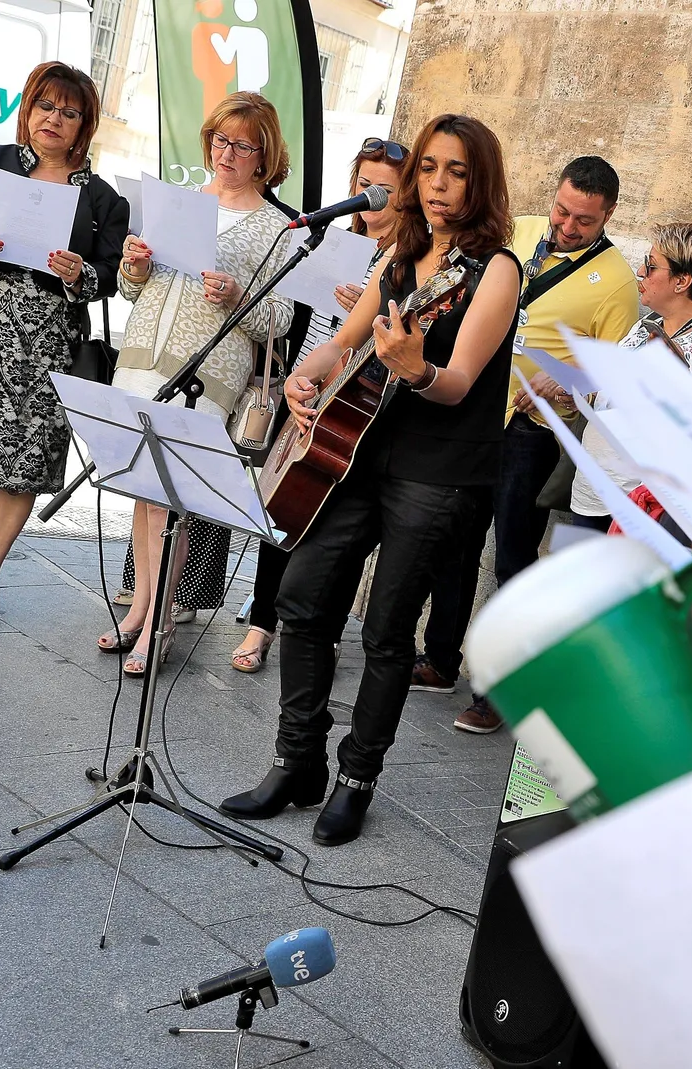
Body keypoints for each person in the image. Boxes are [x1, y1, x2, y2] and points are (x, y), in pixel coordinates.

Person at [219, 113, 523, 846]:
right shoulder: (401, 251)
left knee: (387, 630)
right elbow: (344, 345)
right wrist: (304, 378)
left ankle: (355, 780)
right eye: (429, 168)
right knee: (302, 596)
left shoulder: (497, 269)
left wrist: (417, 369)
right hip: (358, 455)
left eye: (456, 171)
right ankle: (297, 761)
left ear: (480, 182)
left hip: (440, 470)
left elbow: (457, 381)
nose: (439, 184)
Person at [411, 157, 640, 733]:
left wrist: (567, 384)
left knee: (513, 560)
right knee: (455, 542)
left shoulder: (617, 281)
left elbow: (616, 373)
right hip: (474, 413)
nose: (567, 226)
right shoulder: (523, 230)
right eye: (562, 211)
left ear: (609, 215)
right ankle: (440, 658)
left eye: (584, 221)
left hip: (532, 432)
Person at [0, 63, 126, 631]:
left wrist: (80, 273)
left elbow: (110, 276)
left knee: (24, 461)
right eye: (45, 106)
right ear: (28, 109)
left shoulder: (103, 199)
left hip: (47, 340)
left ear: (84, 126)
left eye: (69, 112)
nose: (53, 119)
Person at [101, 92, 295, 675]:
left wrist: (237, 296)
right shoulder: (177, 202)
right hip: (143, 360)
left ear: (265, 156)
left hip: (205, 377)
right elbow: (133, 289)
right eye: (220, 140)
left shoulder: (278, 226)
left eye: (243, 146)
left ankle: (158, 623)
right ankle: (140, 609)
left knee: (172, 502)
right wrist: (134, 266)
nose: (227, 153)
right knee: (145, 494)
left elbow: (282, 320)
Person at [233, 136, 407, 673]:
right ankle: (262, 622)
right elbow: (296, 316)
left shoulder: (407, 259)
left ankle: (322, 629)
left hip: (356, 399)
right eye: (364, 184)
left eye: (385, 189)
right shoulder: (331, 239)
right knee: (279, 505)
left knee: (339, 520)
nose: (372, 196)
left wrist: (369, 312)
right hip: (308, 386)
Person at [565, 222, 692, 530]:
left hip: (645, 505)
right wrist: (579, 392)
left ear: (682, 281)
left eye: (651, 266)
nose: (641, 272)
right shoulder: (646, 325)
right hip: (593, 491)